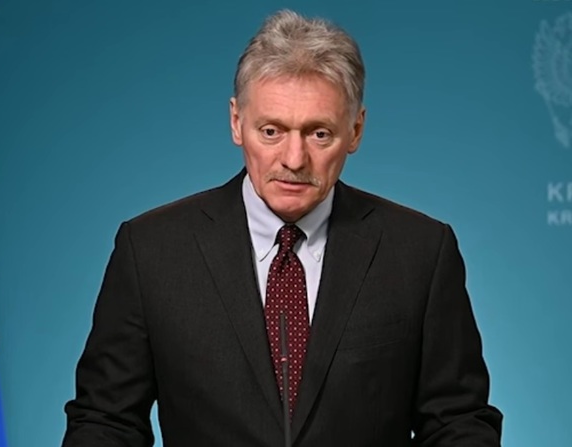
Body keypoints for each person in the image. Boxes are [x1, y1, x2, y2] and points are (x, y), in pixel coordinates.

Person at [62, 9, 502, 447]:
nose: (293, 160)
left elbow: (457, 422)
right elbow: (106, 422)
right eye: (271, 131)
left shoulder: (421, 252)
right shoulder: (150, 251)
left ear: (355, 130)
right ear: (237, 122)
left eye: (319, 134)